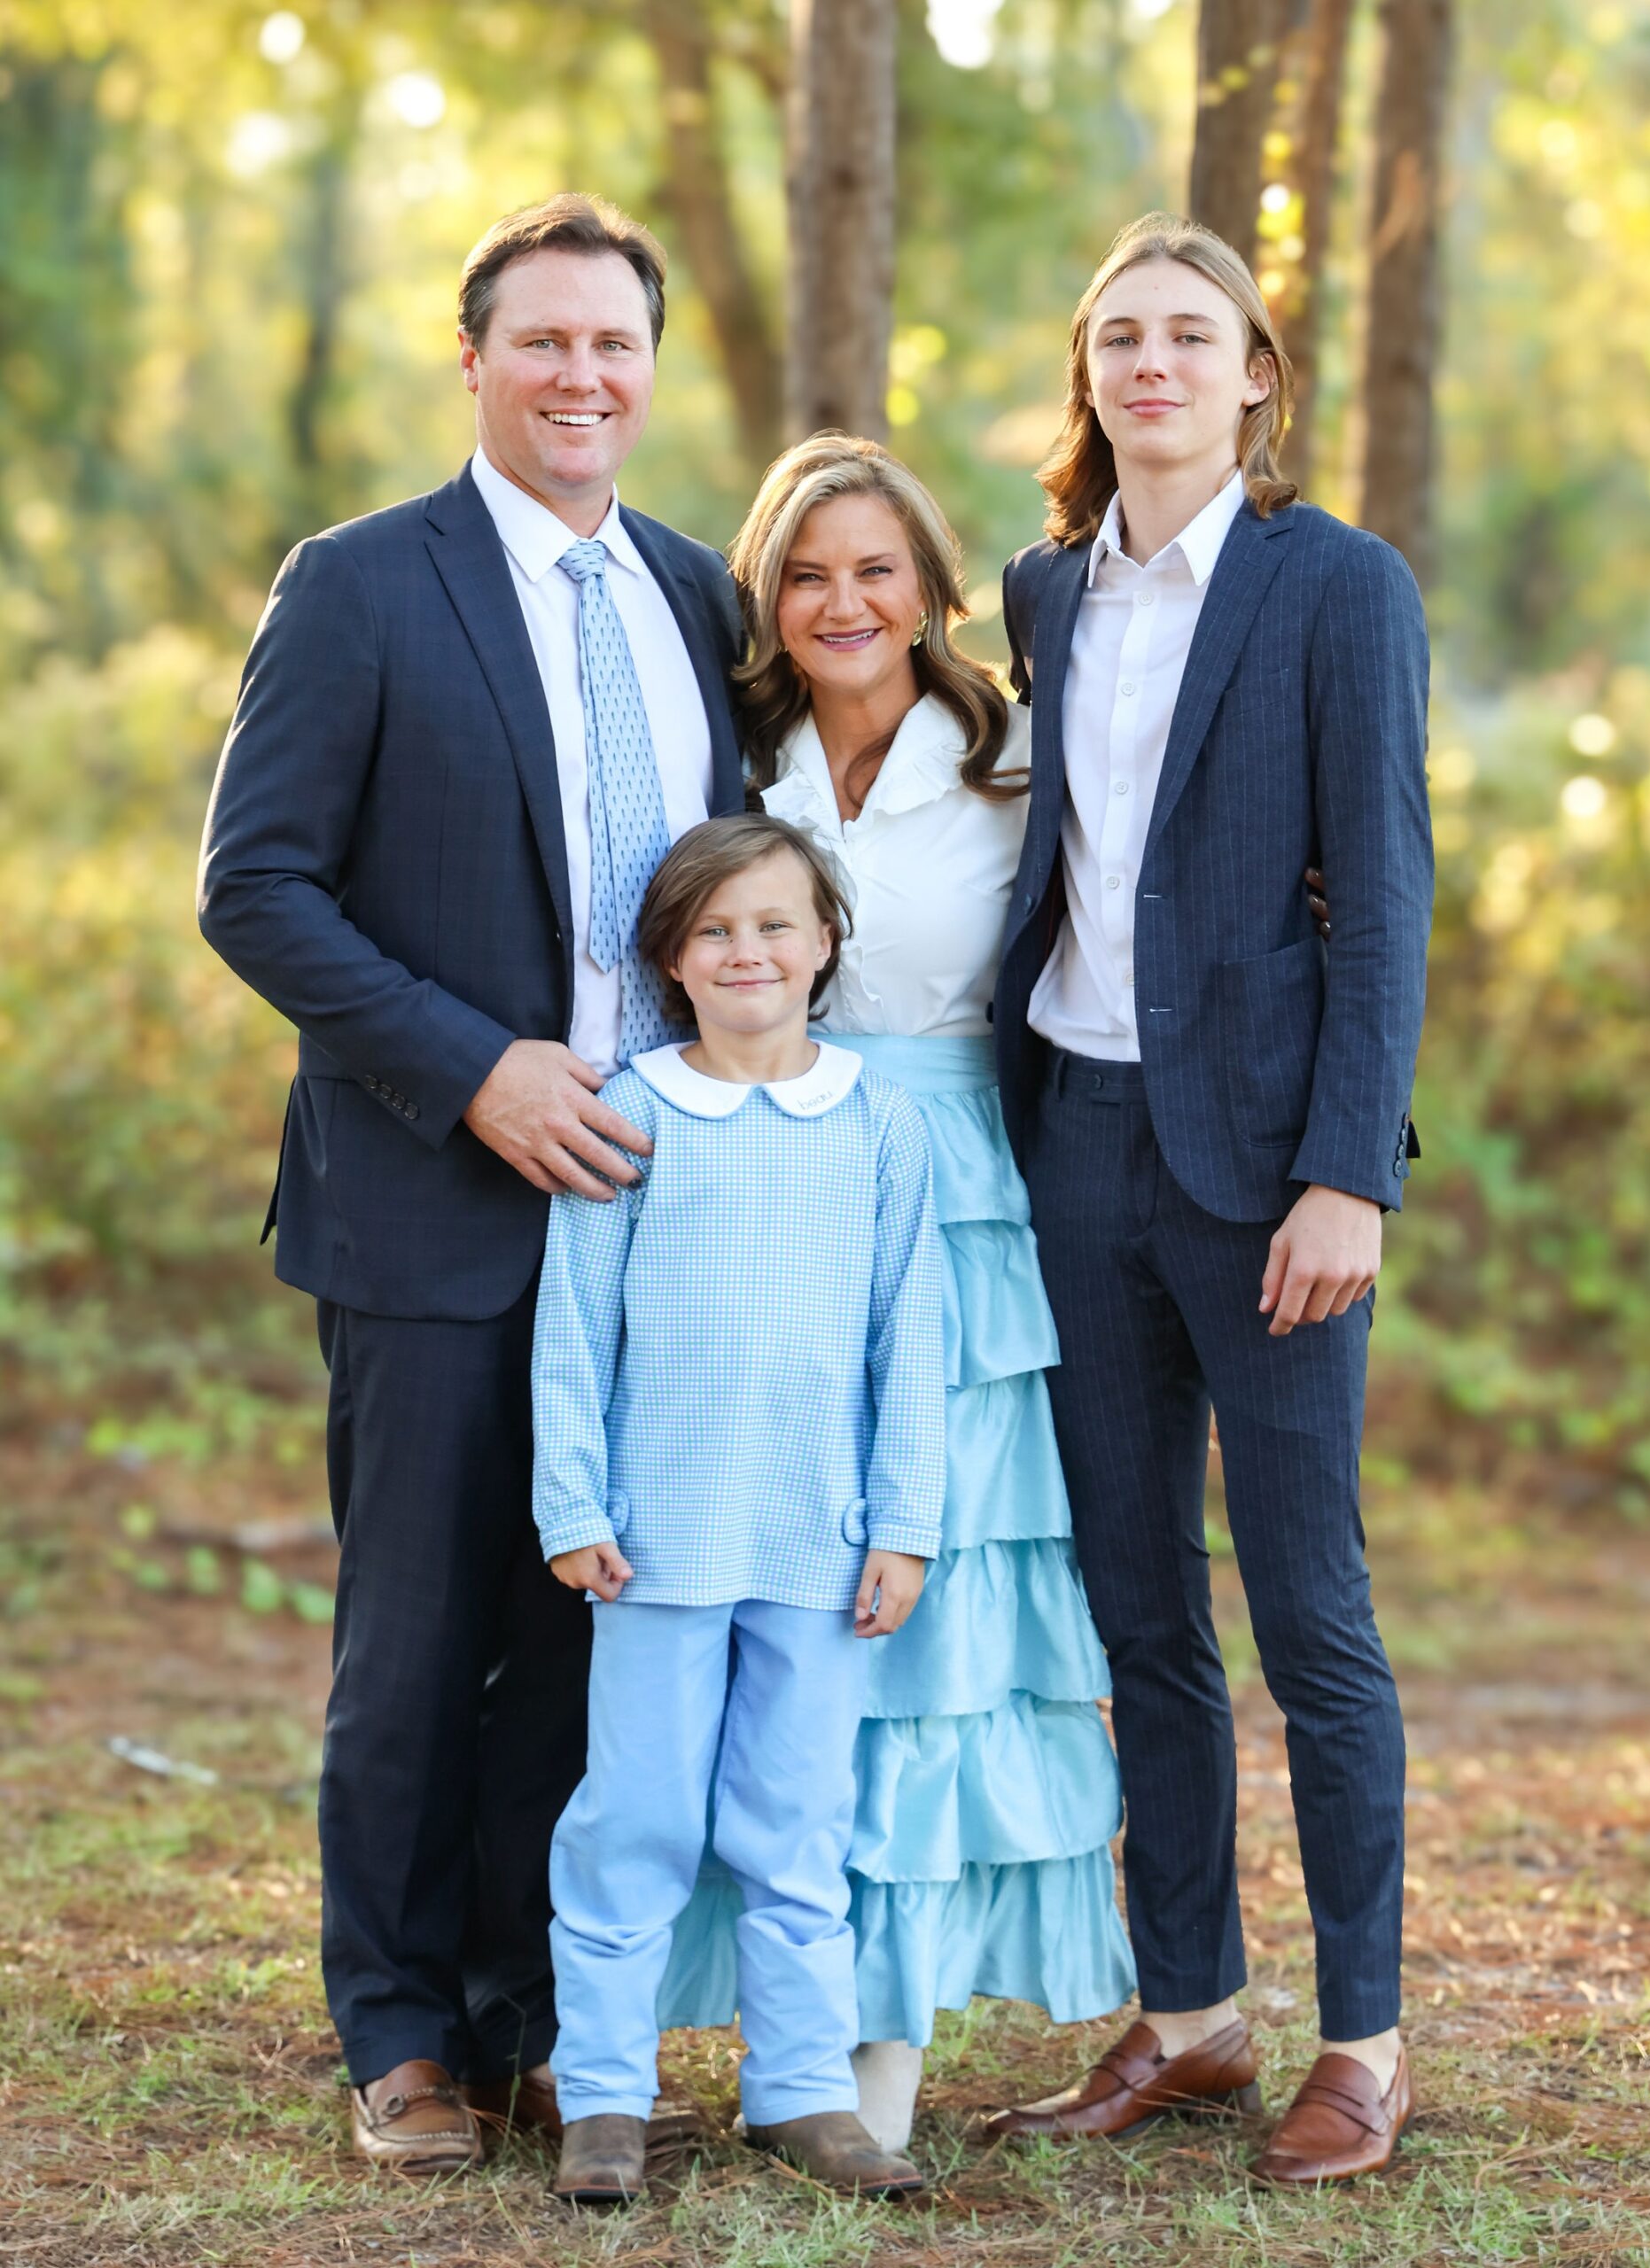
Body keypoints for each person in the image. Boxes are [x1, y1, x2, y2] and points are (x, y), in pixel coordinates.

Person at [197, 194, 744, 2174]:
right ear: (476, 359)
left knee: (588, 1639)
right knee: (418, 1642)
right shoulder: (360, 584)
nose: (581, 376)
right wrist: (474, 1069)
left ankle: (525, 2017)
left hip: (655, 1212)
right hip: (431, 1201)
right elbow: (255, 886)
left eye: (614, 344)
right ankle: (403, 2035)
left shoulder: (699, 597)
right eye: (544, 341)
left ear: (649, 369)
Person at [985, 213, 1433, 2186]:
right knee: (1139, 1610)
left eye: (1191, 333)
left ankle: (1366, 2041)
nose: (1150, 362)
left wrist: (1349, 1170)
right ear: (1087, 378)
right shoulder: (1042, 593)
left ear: (1255, 374)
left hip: (1267, 1176)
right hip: (1075, 1144)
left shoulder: (1337, 585)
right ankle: (1190, 2014)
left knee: (1311, 1612)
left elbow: (1385, 892)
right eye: (1118, 335)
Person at [654, 433, 1137, 2153]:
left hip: (950, 1195)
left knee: (917, 1613)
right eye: (806, 574)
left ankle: (878, 2055)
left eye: (874, 568)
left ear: (933, 588)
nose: (842, 601)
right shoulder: (731, 762)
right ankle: (759, 2016)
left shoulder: (1019, 764)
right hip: (751, 1184)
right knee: (759, 1578)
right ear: (767, 600)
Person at [534, 814, 944, 2204]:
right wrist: (571, 1502)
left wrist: (905, 1523)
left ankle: (803, 2091)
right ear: (672, 958)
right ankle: (604, 2096)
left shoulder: (881, 1123)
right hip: (656, 1543)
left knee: (797, 1820)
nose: (746, 951)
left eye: (775, 924)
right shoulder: (630, 1110)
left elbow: (914, 1336)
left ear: (825, 942)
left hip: (820, 1542)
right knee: (634, 1819)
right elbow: (573, 1326)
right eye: (713, 930)